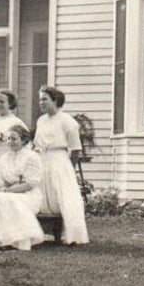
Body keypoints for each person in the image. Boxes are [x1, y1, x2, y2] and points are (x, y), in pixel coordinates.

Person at [34, 86, 89, 245]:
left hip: (59, 160)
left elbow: (76, 148)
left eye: (45, 99)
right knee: (44, 195)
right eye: (40, 99)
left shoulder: (66, 120)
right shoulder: (41, 120)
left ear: (55, 100)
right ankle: (45, 232)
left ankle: (72, 234)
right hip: (42, 159)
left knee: (64, 196)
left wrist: (69, 169)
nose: (41, 102)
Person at [0, 122, 49, 251]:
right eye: (8, 138)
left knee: (11, 200)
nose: (10, 142)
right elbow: (0, 181)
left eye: (14, 139)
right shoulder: (3, 158)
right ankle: (0, 240)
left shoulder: (32, 157)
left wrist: (8, 190)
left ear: (23, 140)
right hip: (8, 193)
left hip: (29, 195)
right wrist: (2, 188)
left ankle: (21, 241)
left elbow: (30, 184)